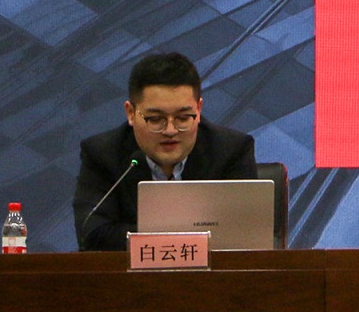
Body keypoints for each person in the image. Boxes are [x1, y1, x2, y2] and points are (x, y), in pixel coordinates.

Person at [72, 52, 257, 251]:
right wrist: (185, 239)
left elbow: (246, 235)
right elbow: (93, 234)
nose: (170, 130)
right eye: (155, 119)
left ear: (199, 109)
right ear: (131, 113)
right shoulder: (103, 154)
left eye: (183, 118)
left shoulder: (231, 150)